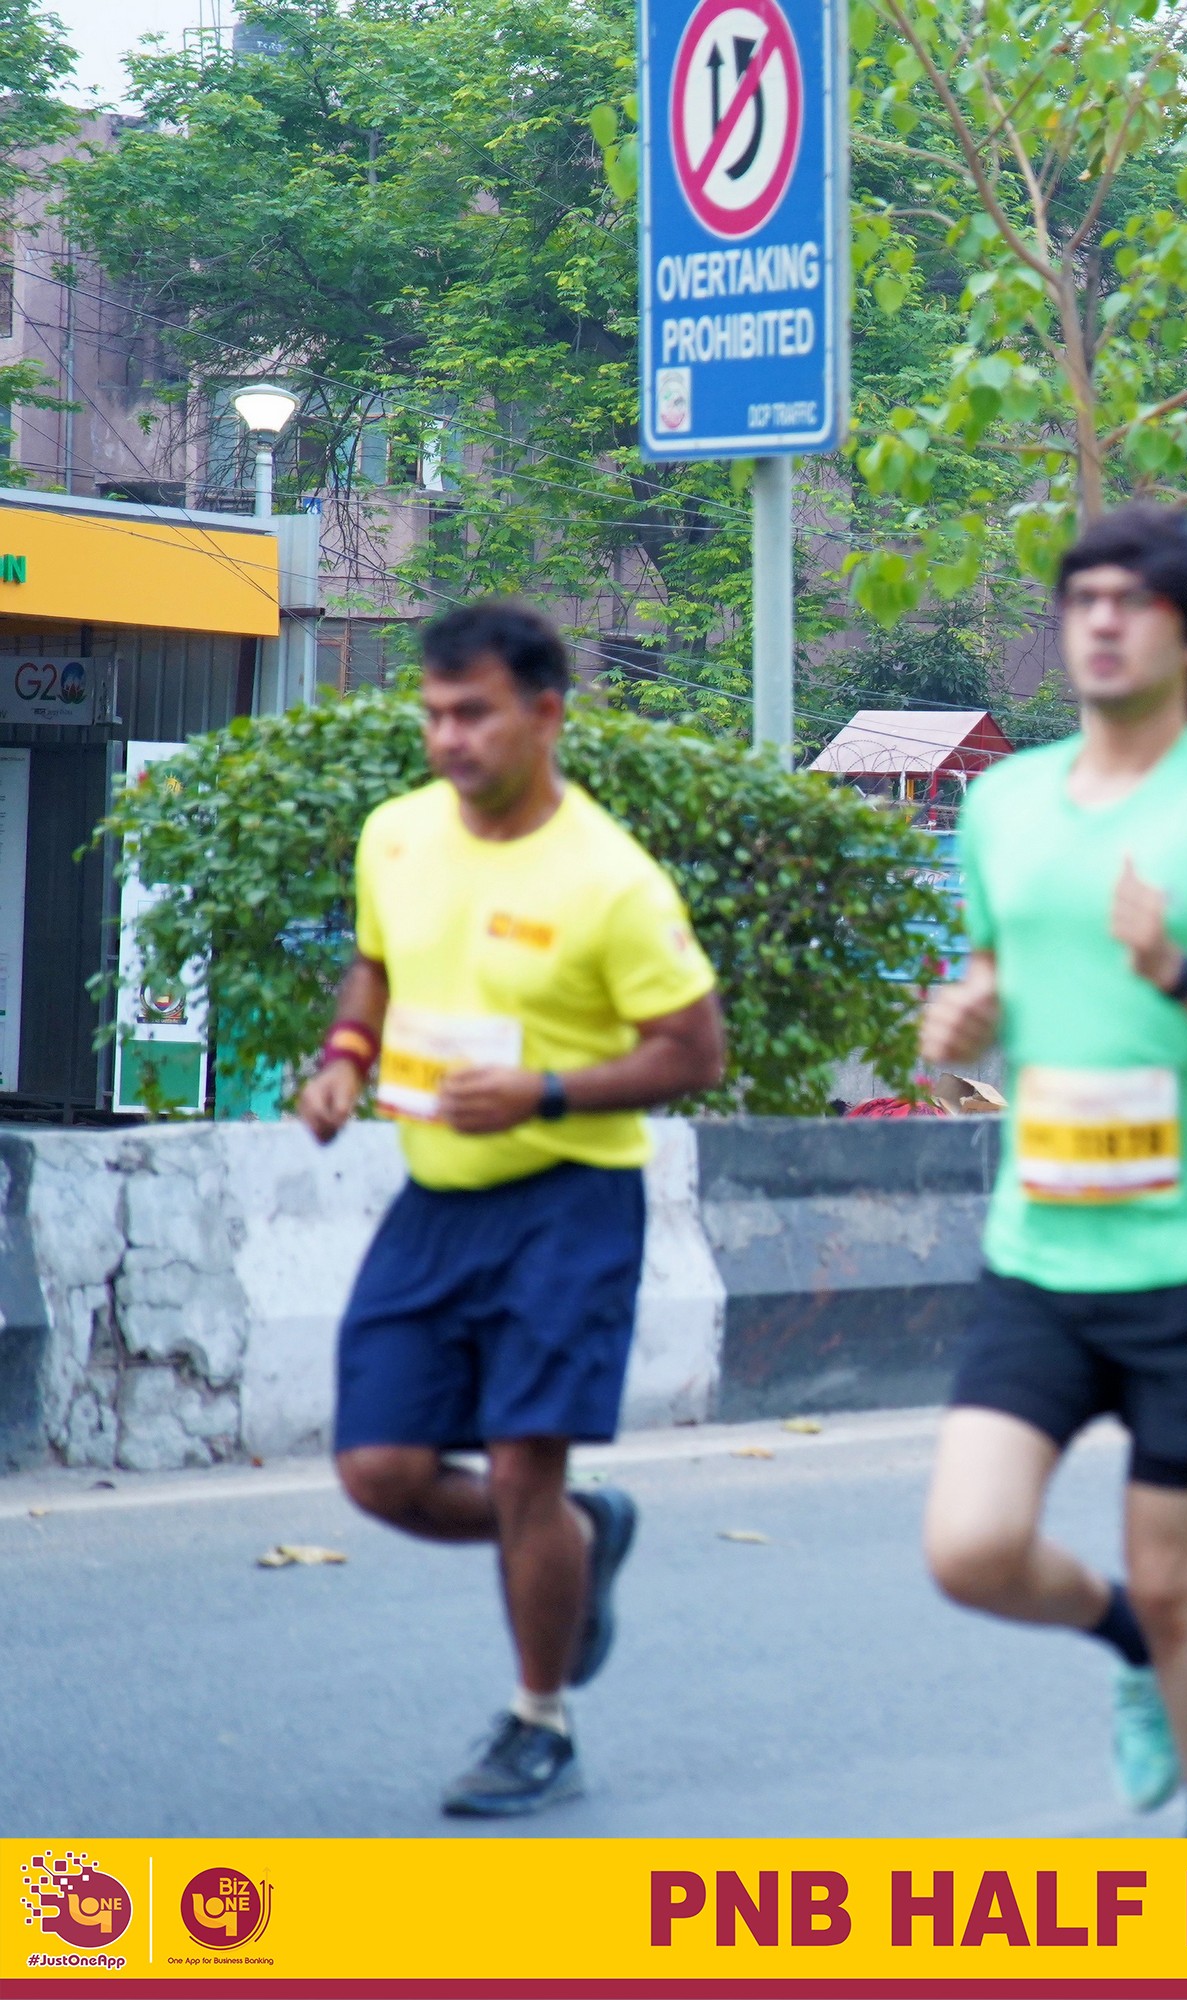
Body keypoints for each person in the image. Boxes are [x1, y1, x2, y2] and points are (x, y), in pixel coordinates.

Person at [916, 506, 1187, 1840]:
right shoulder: (1004, 803)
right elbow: (996, 976)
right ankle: (1122, 1644)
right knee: (969, 1549)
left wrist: (1176, 970)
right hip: (1041, 1251)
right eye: (1082, 598)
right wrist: (960, 1022)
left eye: (1133, 601)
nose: (1100, 621)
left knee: (1178, 1585)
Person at [295, 601, 728, 1816]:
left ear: (545, 714)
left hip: (569, 1205)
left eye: (474, 713)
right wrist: (344, 1057)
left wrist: (545, 1089)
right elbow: (378, 962)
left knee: (524, 1467)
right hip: (437, 1199)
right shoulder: (396, 835)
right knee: (380, 1470)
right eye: (434, 714)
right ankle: (578, 1535)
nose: (449, 737)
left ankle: (541, 1720)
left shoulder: (611, 880)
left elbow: (694, 1050)